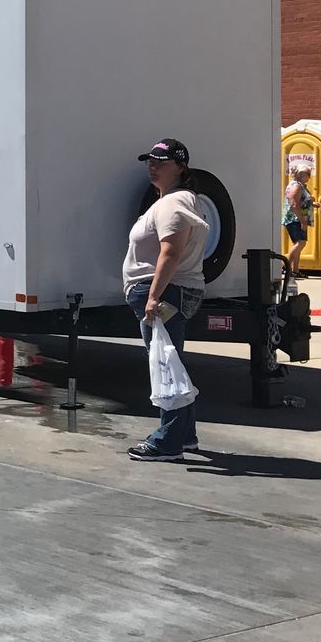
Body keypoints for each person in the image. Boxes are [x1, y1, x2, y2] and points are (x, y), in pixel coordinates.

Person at [122, 138, 209, 463]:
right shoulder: (177, 200)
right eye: (150, 161)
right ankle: (183, 436)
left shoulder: (174, 203)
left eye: (161, 161)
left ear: (181, 167)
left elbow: (170, 252)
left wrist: (154, 296)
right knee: (172, 361)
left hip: (167, 293)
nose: (153, 166)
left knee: (165, 365)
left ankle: (168, 441)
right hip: (172, 291)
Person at [282, 164, 317, 284]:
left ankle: (295, 270)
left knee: (299, 244)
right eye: (308, 174)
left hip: (299, 219)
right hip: (295, 219)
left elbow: (301, 202)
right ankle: (286, 267)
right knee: (300, 243)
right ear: (301, 174)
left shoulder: (300, 186)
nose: (309, 177)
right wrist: (302, 220)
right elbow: (293, 204)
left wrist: (313, 204)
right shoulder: (296, 186)